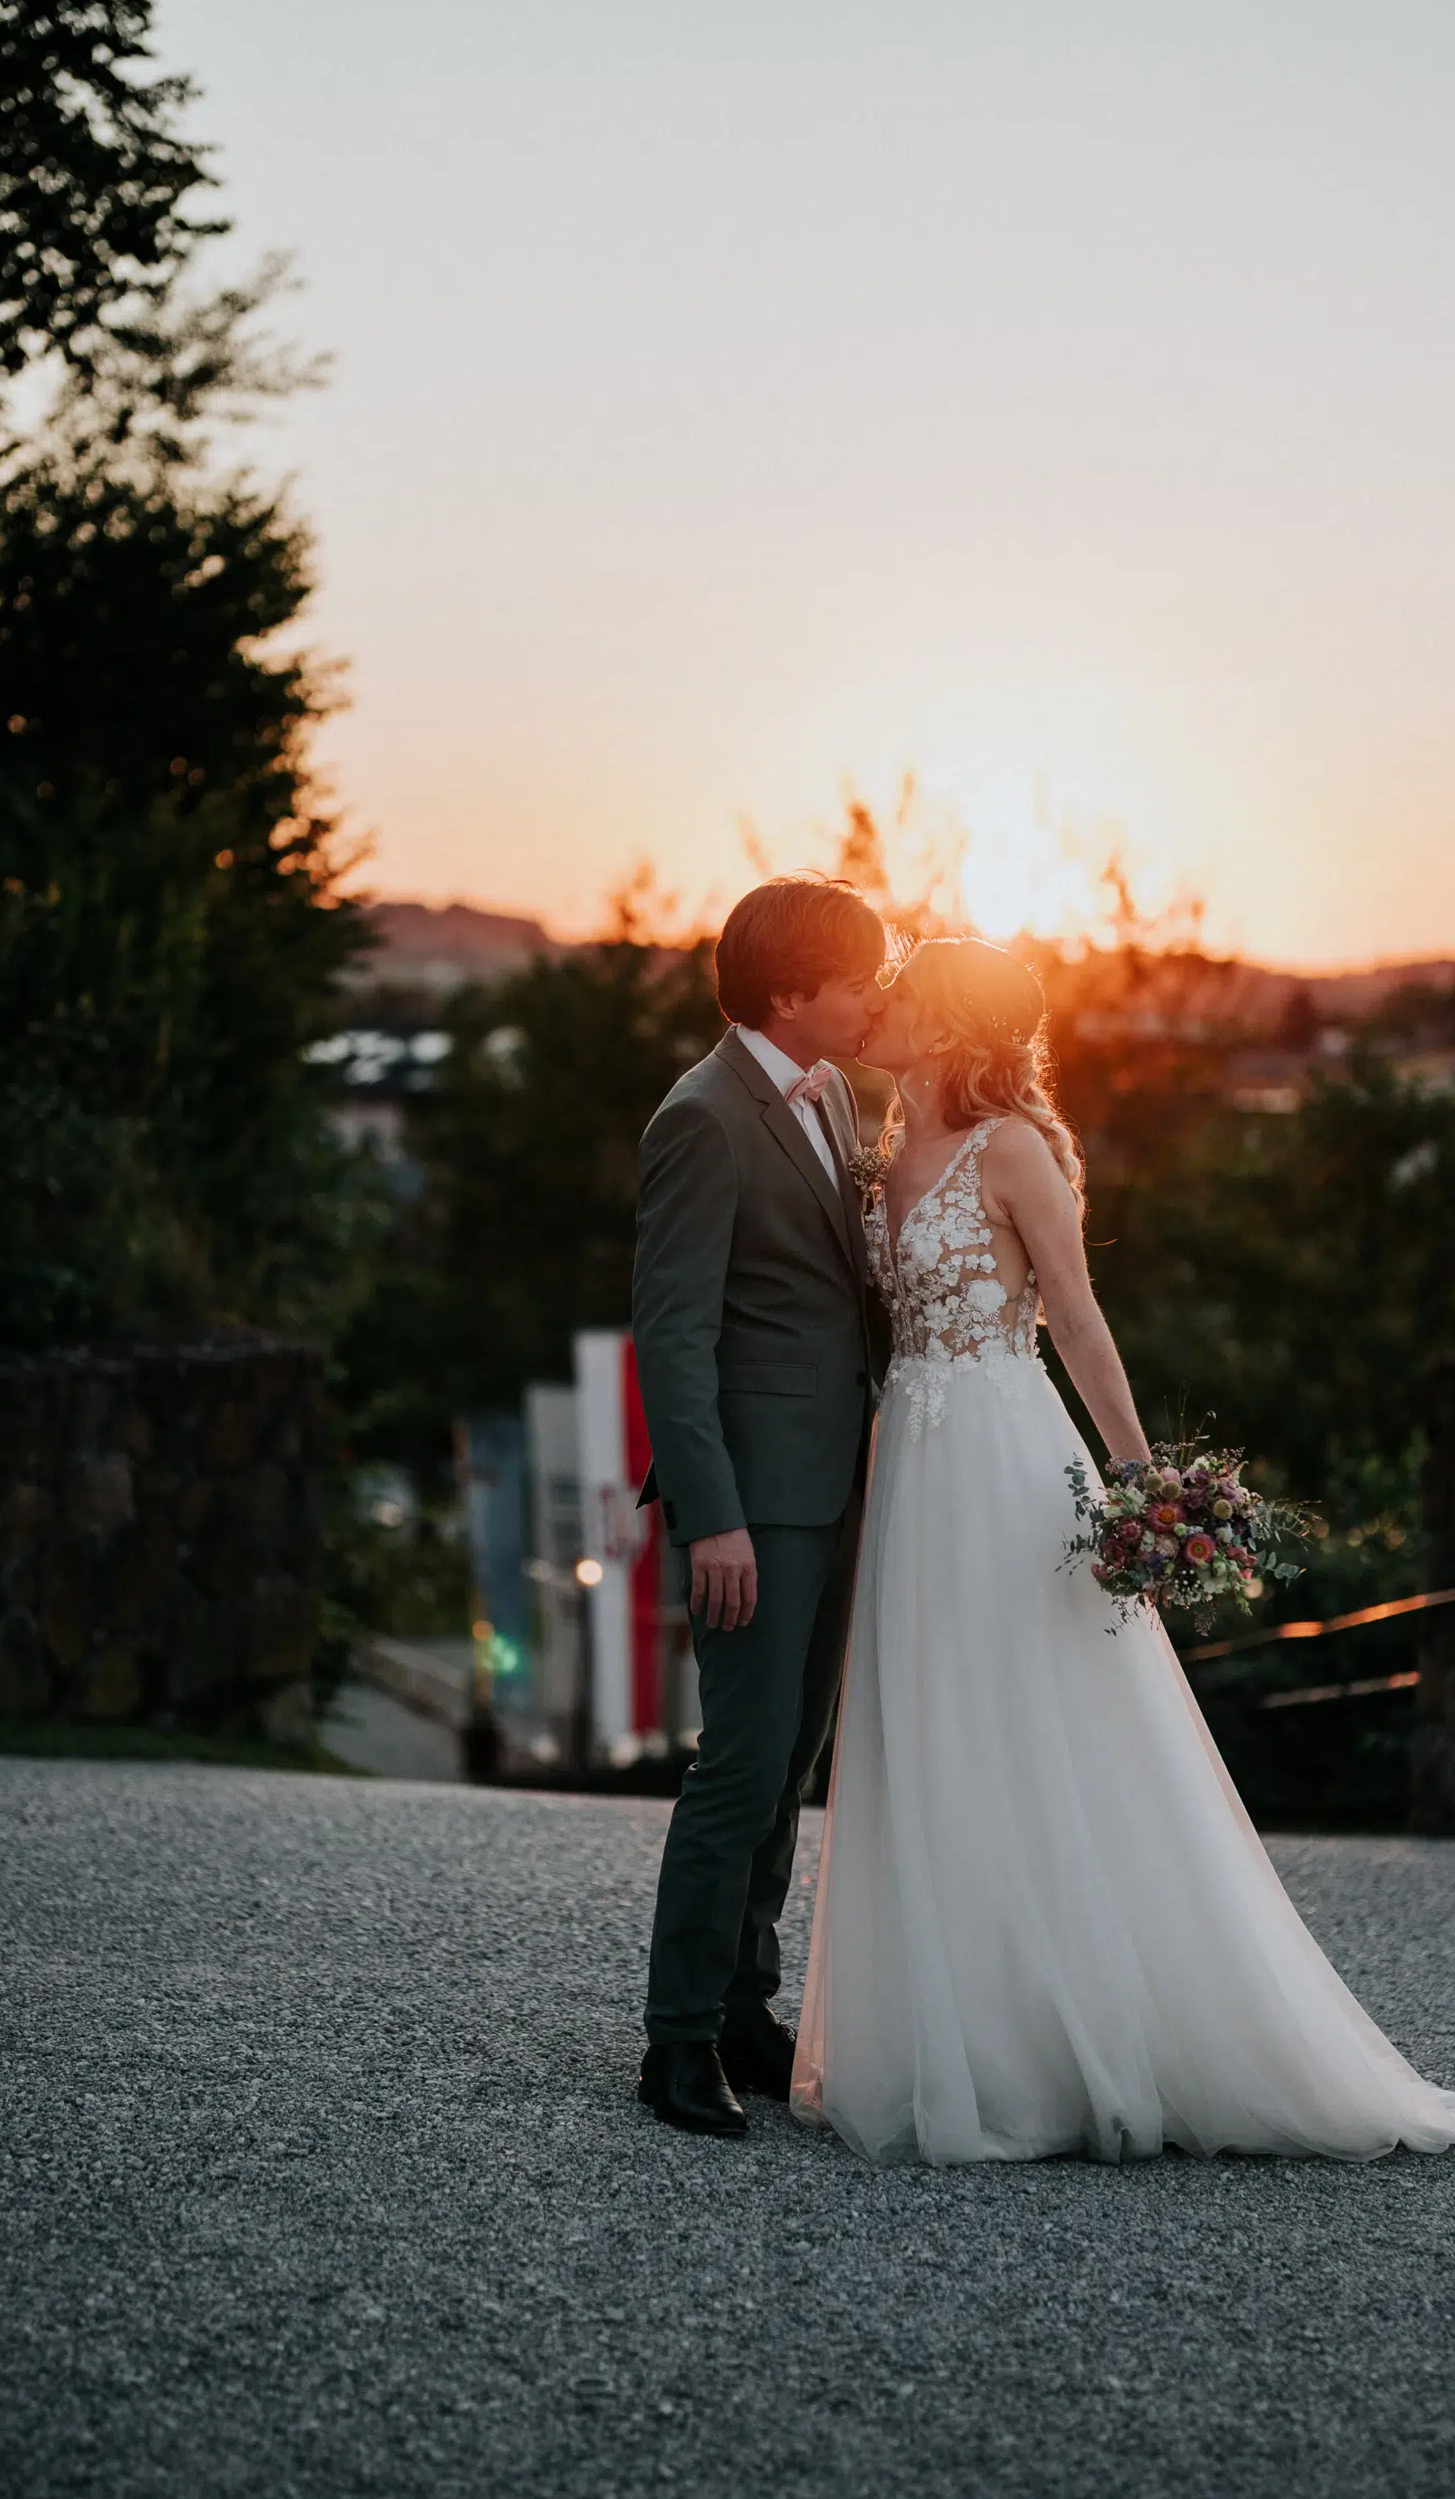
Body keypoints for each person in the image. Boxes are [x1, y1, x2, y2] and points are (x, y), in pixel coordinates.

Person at [791, 936, 1455, 2166]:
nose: (878, 1007)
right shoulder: (881, 1147)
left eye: (903, 994)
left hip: (1006, 1460)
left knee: (1040, 1725)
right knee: (931, 1724)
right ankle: (958, 2035)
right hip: (913, 1468)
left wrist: (1143, 1484)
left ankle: (1088, 2042)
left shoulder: (1015, 1148)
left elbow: (1078, 1321)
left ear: (954, 1024)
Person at [632, 875, 888, 2137]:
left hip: (835, 1481)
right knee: (735, 1764)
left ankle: (744, 2001)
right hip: (753, 1503)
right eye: (858, 976)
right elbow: (670, 1341)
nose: (874, 994)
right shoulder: (700, 1118)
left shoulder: (831, 1090)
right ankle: (673, 2042)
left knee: (787, 1761)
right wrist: (710, 1514)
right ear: (789, 990)